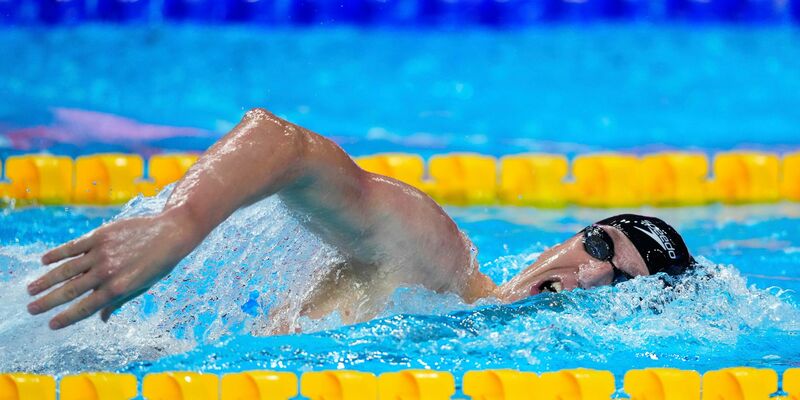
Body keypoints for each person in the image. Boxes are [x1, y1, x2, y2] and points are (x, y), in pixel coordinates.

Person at [25, 108, 694, 332]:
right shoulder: (436, 260)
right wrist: (180, 222)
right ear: (569, 235)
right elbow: (282, 144)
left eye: (622, 284)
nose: (589, 276)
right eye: (600, 243)